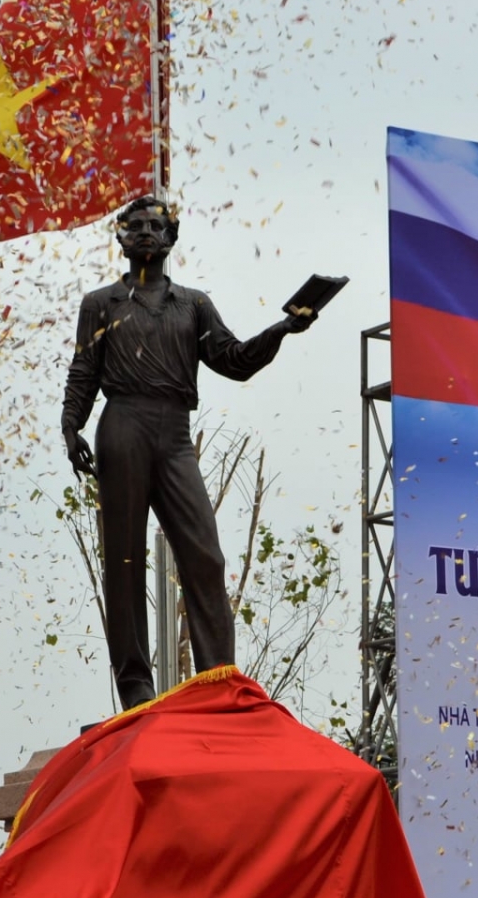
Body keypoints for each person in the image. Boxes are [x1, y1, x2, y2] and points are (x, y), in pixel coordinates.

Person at [61, 194, 314, 710]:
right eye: (137, 227)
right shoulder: (100, 303)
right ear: (121, 239)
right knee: (125, 561)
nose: (147, 233)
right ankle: (136, 688)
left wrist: (282, 329)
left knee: (205, 555)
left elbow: (235, 359)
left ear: (172, 238)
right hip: (122, 425)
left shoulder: (193, 304)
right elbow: (83, 372)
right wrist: (71, 428)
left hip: (175, 432)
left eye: (158, 226)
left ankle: (218, 679)